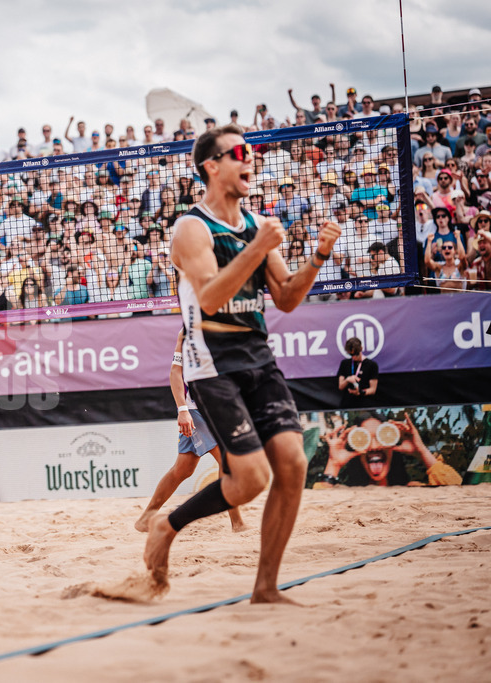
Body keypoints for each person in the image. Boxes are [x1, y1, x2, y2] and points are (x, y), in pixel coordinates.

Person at [143, 124, 341, 604]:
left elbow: (288, 298)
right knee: (250, 479)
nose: (250, 159)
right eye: (240, 152)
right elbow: (209, 299)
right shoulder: (192, 228)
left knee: (293, 464)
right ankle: (168, 525)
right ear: (212, 166)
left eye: (252, 152)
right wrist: (258, 247)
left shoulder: (256, 225)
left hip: (258, 355)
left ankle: (266, 588)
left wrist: (318, 255)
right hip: (211, 363)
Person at [135, 332, 246, 534]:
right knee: (228, 461)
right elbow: (175, 372)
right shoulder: (189, 330)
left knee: (183, 468)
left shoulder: (230, 323)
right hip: (195, 408)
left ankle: (146, 518)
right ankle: (237, 523)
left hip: (217, 406)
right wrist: (183, 410)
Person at [316, 413, 461, 487]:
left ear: (392, 445)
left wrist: (421, 451)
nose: (373, 446)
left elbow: (456, 489)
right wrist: (334, 463)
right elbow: (318, 505)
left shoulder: (413, 489)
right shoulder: (344, 492)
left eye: (381, 437)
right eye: (364, 439)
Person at [337, 337, 378, 409]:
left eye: (356, 354)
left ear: (361, 349)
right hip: (347, 403)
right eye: (351, 355)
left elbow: (373, 389)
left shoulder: (371, 365)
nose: (354, 357)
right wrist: (347, 380)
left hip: (364, 404)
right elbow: (340, 386)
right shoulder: (345, 363)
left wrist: (360, 392)